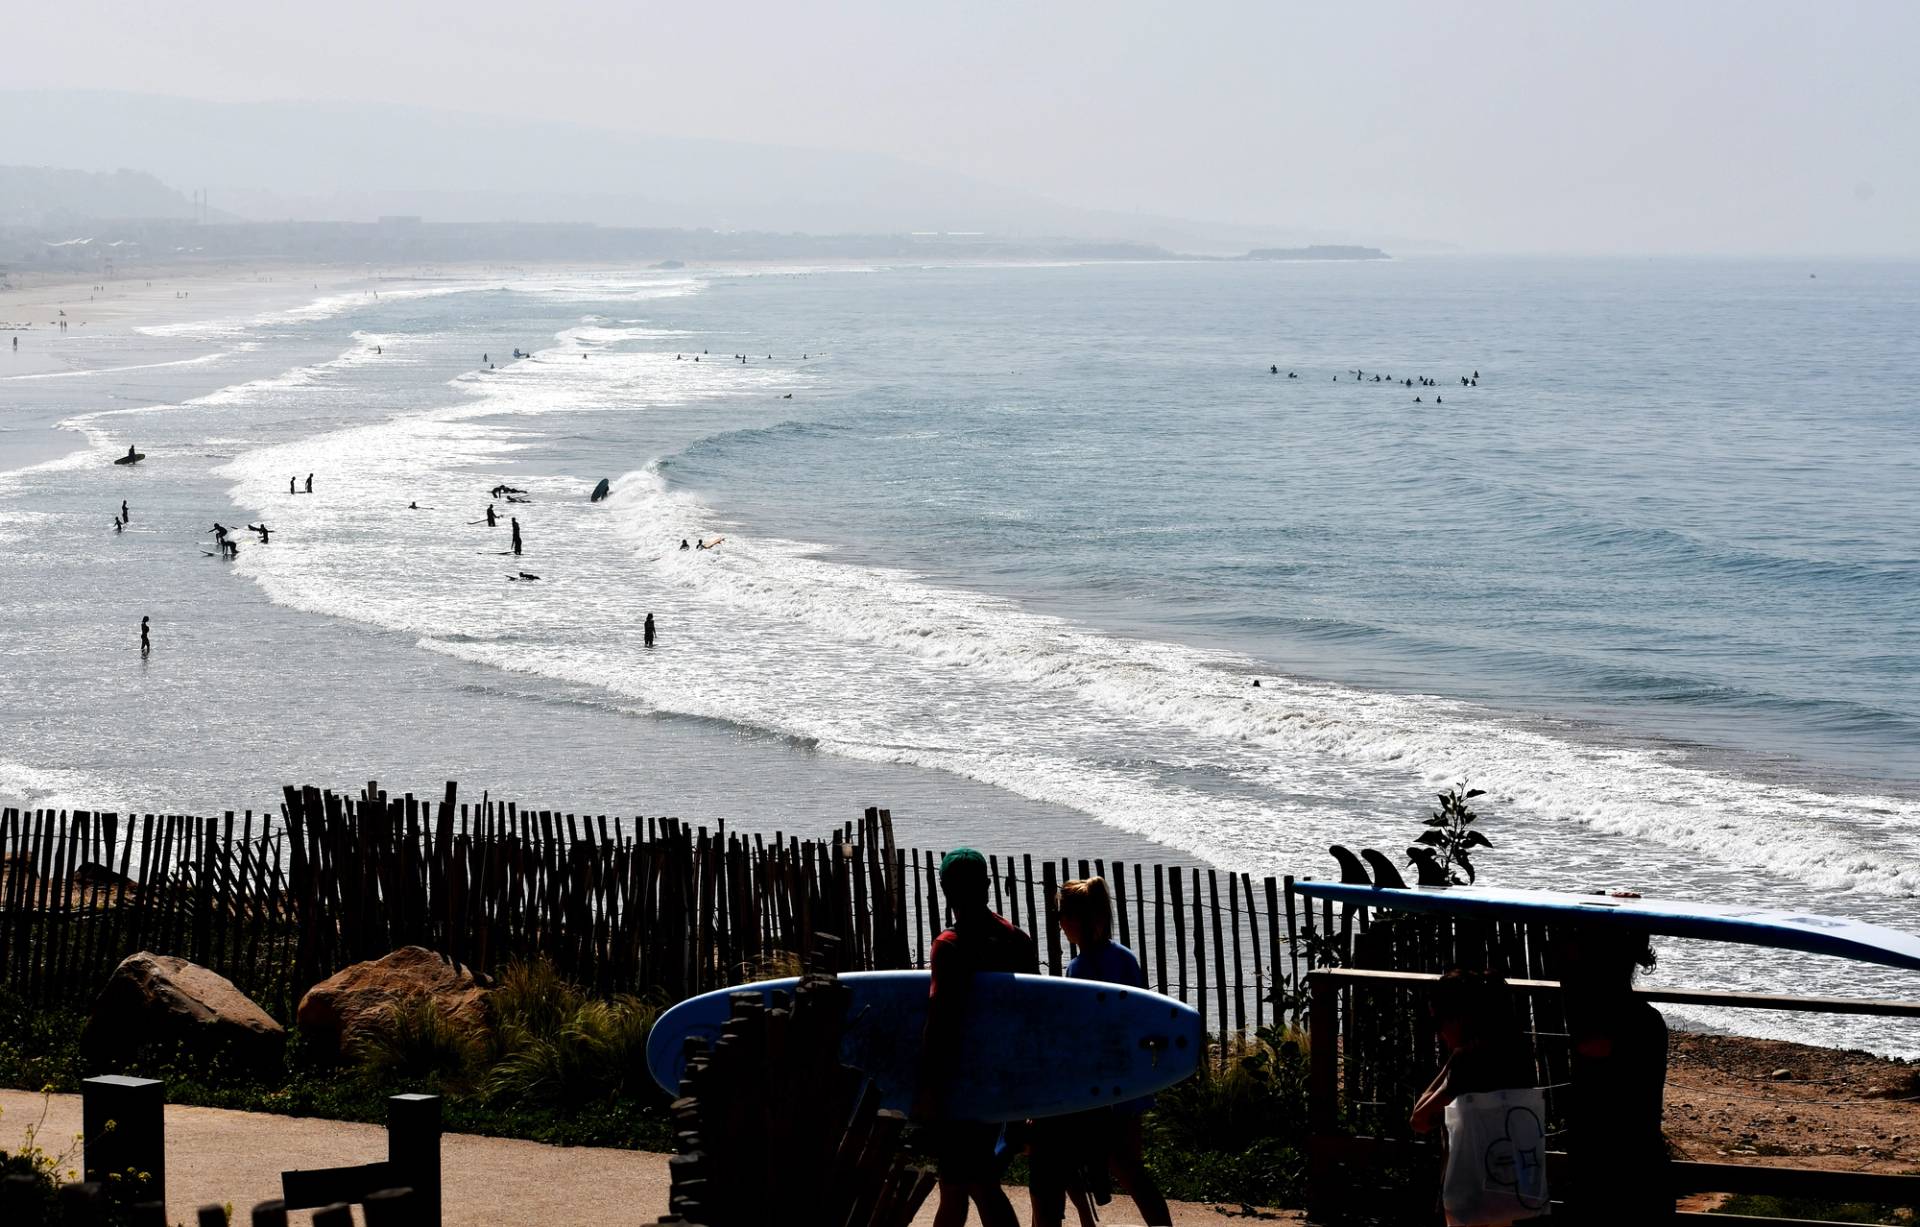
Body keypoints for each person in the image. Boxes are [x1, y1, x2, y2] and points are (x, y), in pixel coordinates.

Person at [1029, 878, 1171, 1227]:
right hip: (1128, 1080)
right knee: (1129, 1169)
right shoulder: (1124, 958)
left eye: (1064, 915)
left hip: (1100, 1088)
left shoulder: (1080, 969)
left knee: (1112, 1164)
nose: (1059, 923)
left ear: (1084, 918)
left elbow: (1079, 1032)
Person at [914, 848, 1038, 1227]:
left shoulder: (949, 945)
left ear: (944, 890)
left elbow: (940, 1023)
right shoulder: (1017, 941)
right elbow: (1030, 1017)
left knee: (978, 1184)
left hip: (960, 1085)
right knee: (957, 1186)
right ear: (987, 885)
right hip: (1003, 1080)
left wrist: (927, 1091)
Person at [1560, 926, 1669, 1223]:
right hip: (1636, 1160)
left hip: (1611, 1164)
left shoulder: (1611, 1024)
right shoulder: (1647, 1019)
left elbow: (1591, 1046)